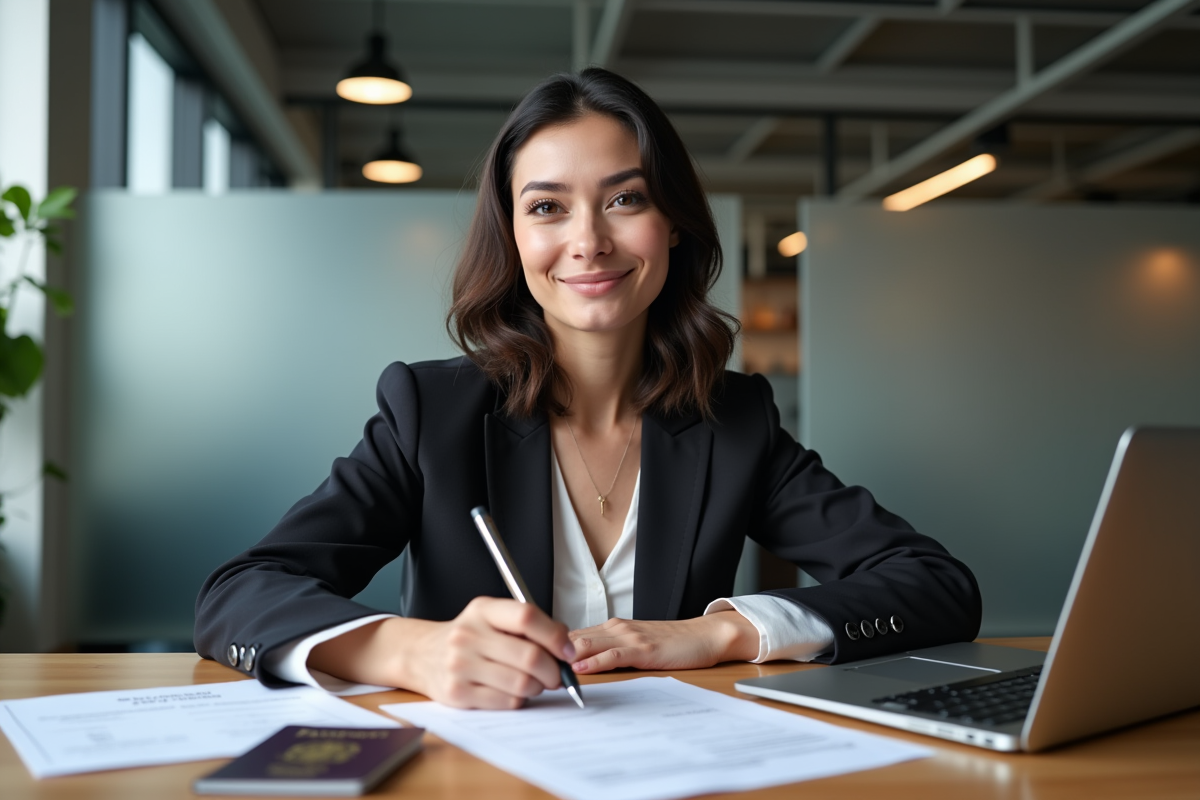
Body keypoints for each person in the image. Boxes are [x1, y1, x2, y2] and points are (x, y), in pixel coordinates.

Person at [194, 68, 981, 710]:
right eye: (547, 207)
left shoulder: (733, 419)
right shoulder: (430, 413)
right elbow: (240, 594)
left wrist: (723, 632)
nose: (588, 241)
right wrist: (412, 649)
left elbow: (938, 588)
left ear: (671, 222)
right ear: (515, 236)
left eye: (625, 199)